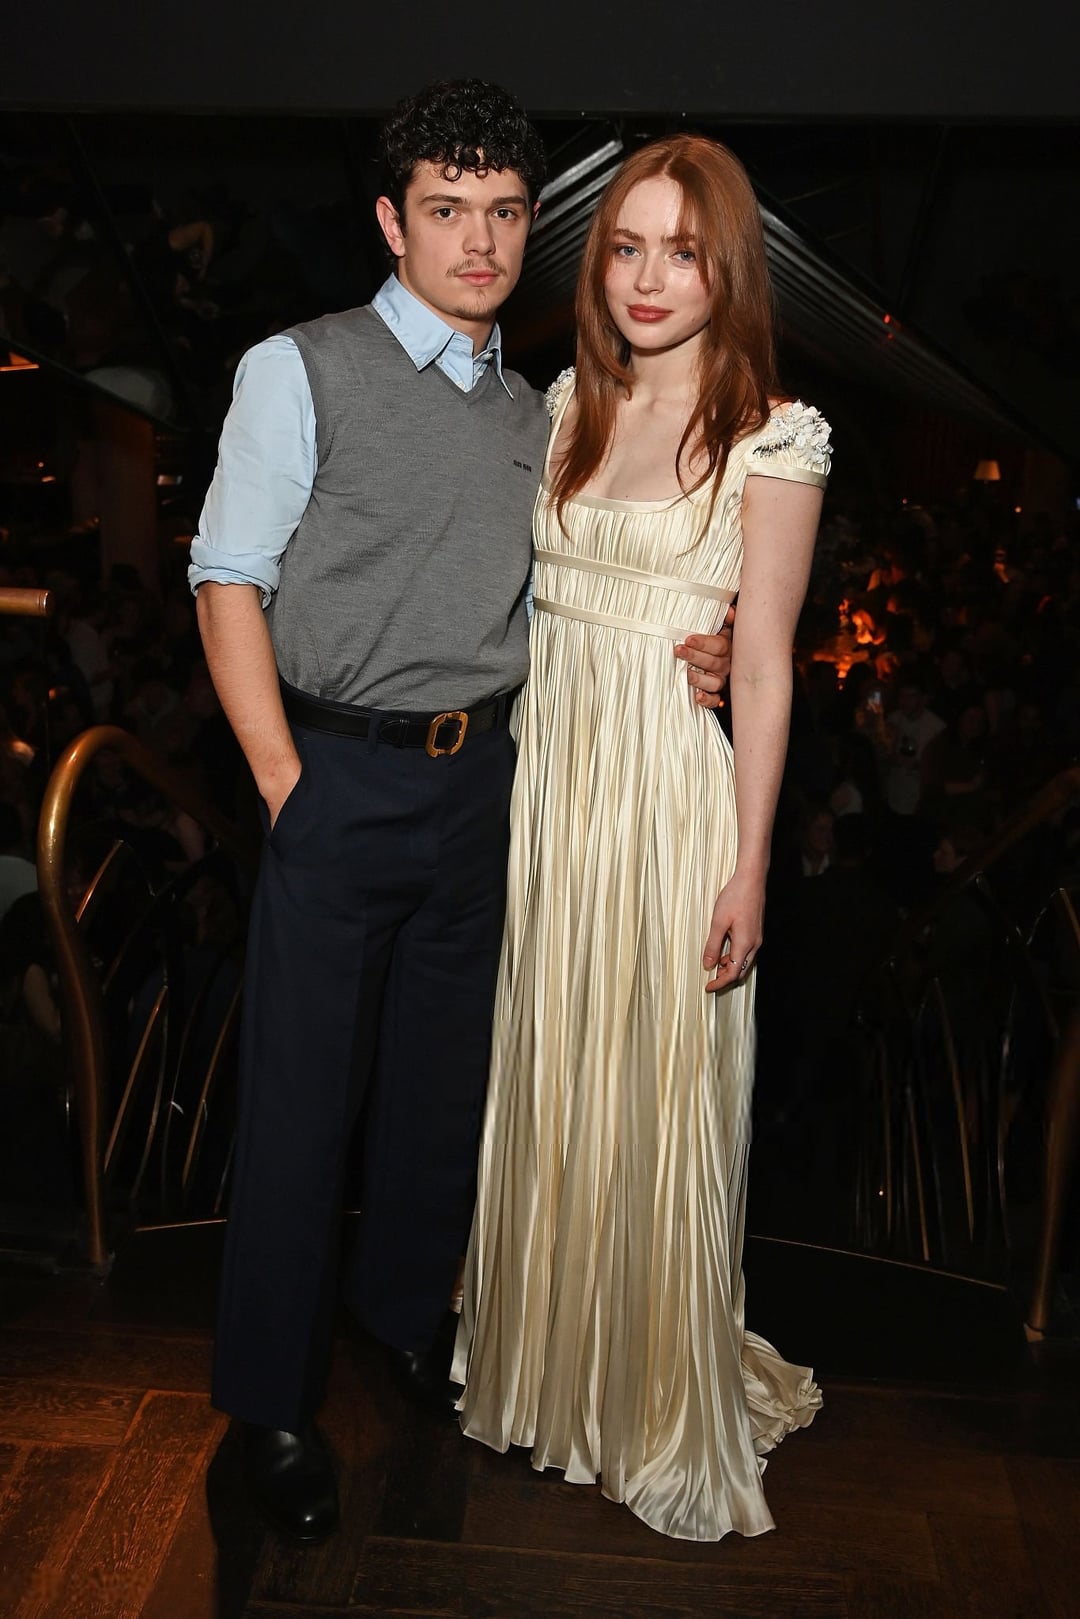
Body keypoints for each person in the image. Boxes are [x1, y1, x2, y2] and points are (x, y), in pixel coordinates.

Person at [188, 81, 732, 1544]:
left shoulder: (539, 410)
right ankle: (269, 1409)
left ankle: (404, 1324)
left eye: (502, 212)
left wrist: (711, 639)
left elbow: (594, 580)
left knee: (444, 1097)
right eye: (445, 210)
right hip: (336, 778)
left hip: (489, 781)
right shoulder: (299, 368)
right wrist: (285, 784)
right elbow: (227, 578)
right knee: (301, 1111)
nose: (478, 241)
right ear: (392, 221)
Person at [453, 134, 828, 1540]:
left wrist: (750, 864)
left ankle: (652, 1396)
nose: (649, 278)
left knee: (659, 1101)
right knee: (549, 1080)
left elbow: (767, 665)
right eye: (625, 247)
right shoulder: (563, 406)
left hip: (671, 807)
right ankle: (545, 1372)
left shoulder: (774, 437)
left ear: (729, 271)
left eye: (683, 250)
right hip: (550, 796)